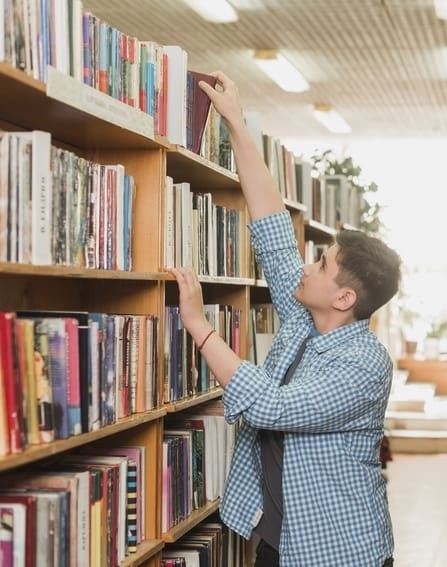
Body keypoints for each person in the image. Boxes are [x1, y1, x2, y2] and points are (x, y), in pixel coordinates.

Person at [168, 70, 401, 567]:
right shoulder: (303, 319)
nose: (306, 264)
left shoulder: (364, 366)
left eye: (321, 263)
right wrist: (236, 123)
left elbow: (270, 406)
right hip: (278, 537)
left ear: (343, 299)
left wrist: (198, 325)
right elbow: (272, 226)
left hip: (337, 552)